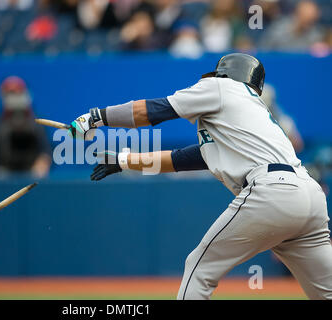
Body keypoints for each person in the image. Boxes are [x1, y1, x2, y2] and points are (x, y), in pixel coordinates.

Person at [69, 53, 332, 299]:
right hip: (309, 196)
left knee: (199, 268)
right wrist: (124, 161)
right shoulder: (248, 119)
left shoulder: (223, 88)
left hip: (273, 191)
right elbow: (180, 160)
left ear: (225, 75)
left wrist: (97, 117)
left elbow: (152, 111)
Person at [0, 76, 51, 178]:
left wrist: (39, 169)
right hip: (0, 183)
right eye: (11, 93)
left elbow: (45, 155)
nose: (15, 97)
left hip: (31, 183)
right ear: (3, 96)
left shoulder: (38, 126)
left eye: (19, 93)